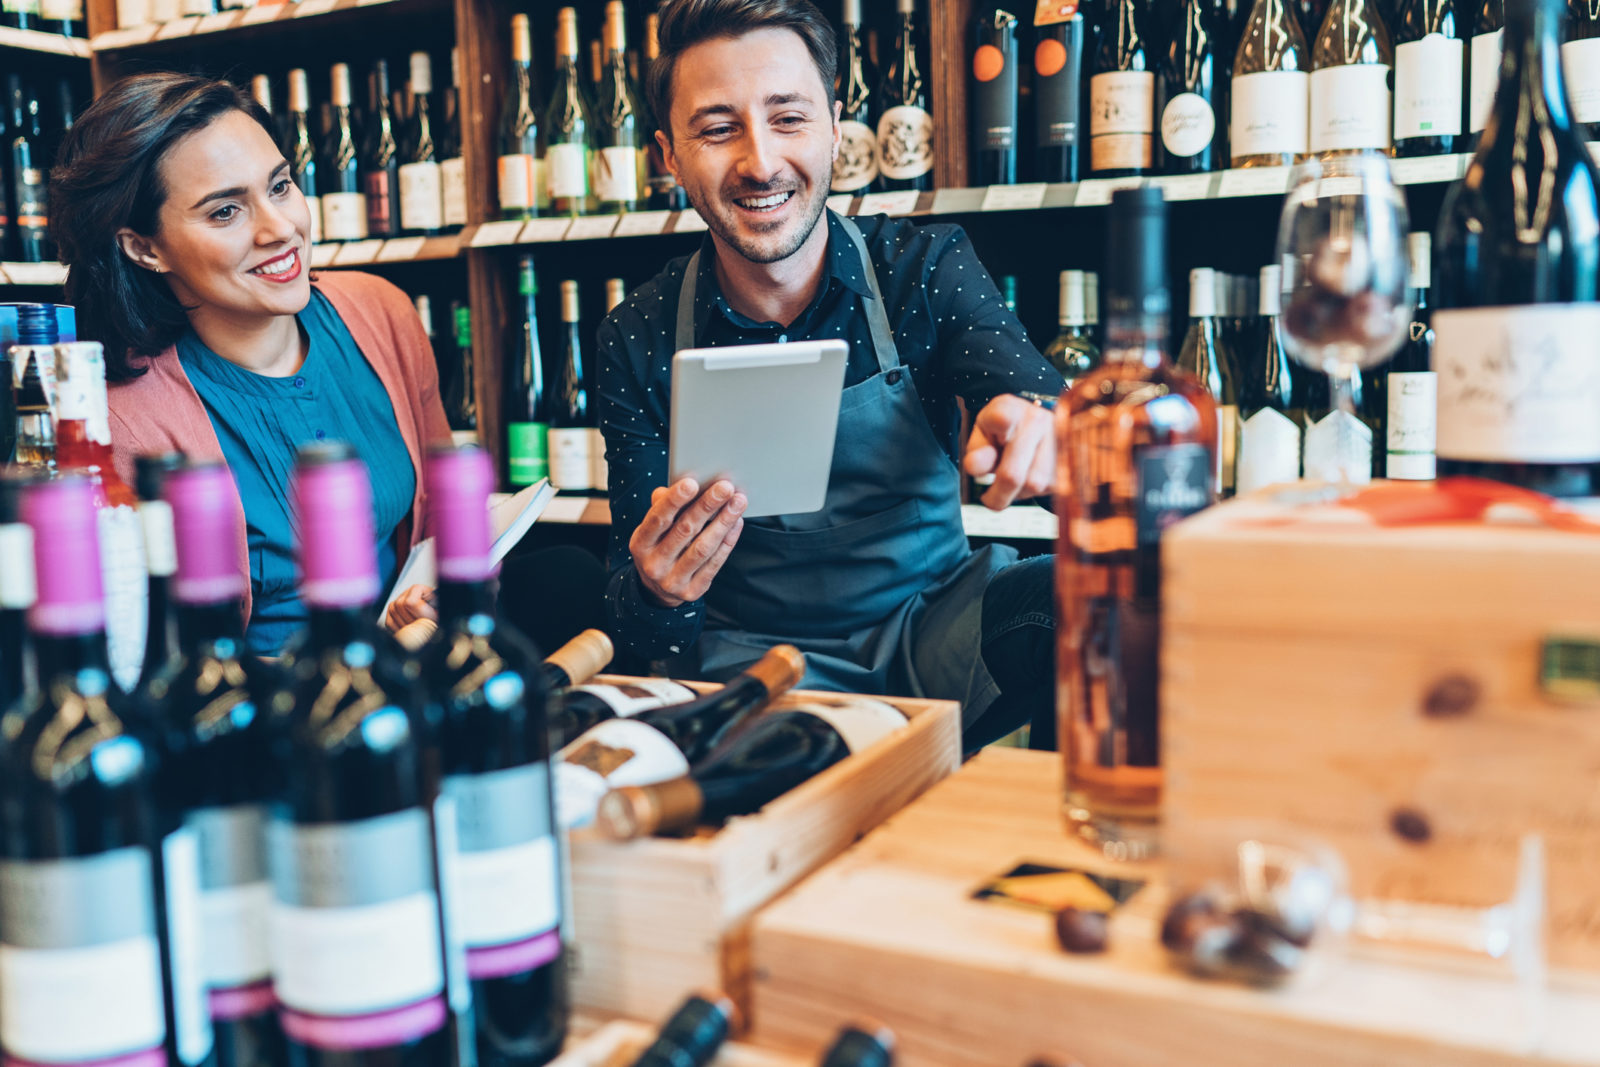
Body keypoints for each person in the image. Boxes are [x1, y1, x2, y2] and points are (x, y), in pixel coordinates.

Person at [597, 0, 1061, 750]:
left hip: (935, 629)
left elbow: (1036, 393)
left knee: (1087, 601)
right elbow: (632, 612)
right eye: (718, 128)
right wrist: (658, 586)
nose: (761, 161)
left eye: (788, 117)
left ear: (834, 125)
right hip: (758, 671)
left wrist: (1042, 424)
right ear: (669, 157)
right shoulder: (636, 333)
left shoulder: (923, 267)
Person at [50, 73, 604, 657]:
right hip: (281, 707)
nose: (280, 228)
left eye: (281, 186)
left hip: (410, 661)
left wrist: (448, 591)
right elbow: (160, 660)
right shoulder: (122, 425)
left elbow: (436, 515)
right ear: (144, 247)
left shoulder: (381, 314)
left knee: (573, 574)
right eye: (225, 212)